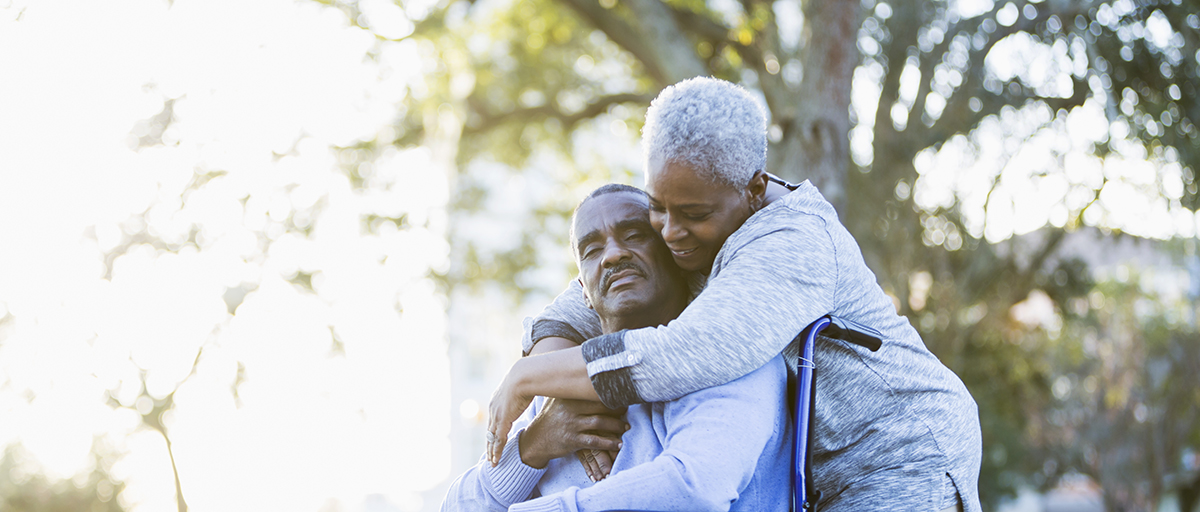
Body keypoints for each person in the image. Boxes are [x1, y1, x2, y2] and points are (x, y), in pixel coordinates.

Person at [486, 77, 983, 511]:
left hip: (901, 451)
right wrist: (555, 389)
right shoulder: (686, 218)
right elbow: (572, 310)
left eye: (694, 215)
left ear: (753, 189)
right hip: (819, 474)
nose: (670, 233)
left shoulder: (792, 244)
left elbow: (682, 355)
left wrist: (529, 377)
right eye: (657, 208)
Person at [442, 184, 792, 511]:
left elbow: (694, 488)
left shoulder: (729, 349)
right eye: (593, 249)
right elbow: (459, 504)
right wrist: (534, 445)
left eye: (635, 235)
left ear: (675, 255)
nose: (612, 255)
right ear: (583, 291)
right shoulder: (558, 385)